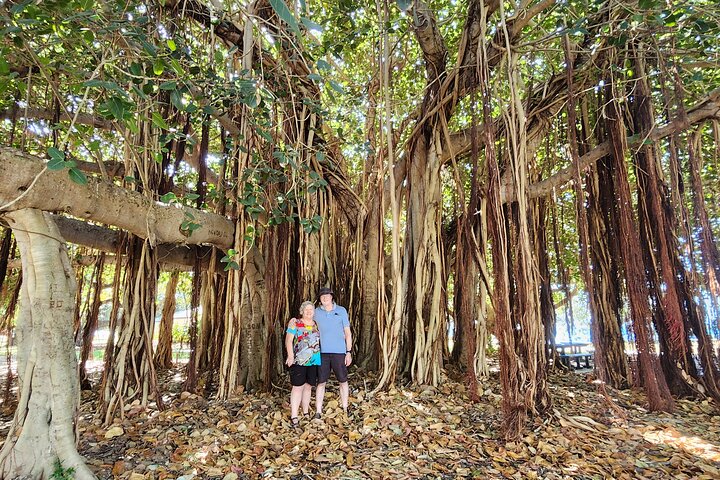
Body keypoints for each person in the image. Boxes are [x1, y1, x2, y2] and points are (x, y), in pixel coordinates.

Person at [314, 286, 352, 418]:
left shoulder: (341, 311)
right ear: (319, 299)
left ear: (331, 297)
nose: (325, 298)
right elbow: (306, 321)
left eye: (327, 296)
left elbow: (347, 333)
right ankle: (318, 411)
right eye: (322, 296)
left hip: (339, 352)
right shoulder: (315, 312)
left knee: (343, 380)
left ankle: (345, 407)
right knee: (321, 382)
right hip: (322, 352)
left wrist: (348, 351)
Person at [285, 300, 321, 428]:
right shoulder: (295, 323)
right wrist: (290, 356)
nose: (309, 312)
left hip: (314, 360)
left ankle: (305, 412)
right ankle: (294, 415)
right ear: (302, 311)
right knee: (297, 386)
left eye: (311, 310)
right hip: (299, 360)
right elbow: (288, 340)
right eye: (306, 309)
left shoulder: (316, 324)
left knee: (308, 386)